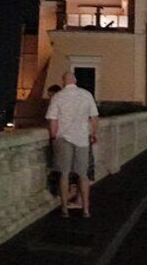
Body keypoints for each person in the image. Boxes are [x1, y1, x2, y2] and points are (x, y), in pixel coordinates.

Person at [46, 72, 99, 218]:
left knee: (64, 174)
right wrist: (93, 134)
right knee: (83, 175)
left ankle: (64, 209)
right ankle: (86, 210)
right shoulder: (86, 95)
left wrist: (52, 137)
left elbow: (53, 121)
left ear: (63, 82)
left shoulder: (58, 96)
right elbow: (94, 118)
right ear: (75, 80)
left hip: (63, 138)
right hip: (82, 138)